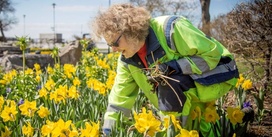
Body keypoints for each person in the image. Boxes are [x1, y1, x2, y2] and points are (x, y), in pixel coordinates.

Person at [91, 3, 239, 136]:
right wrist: (107, 132)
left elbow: (211, 56)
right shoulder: (126, 59)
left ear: (131, 31)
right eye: (109, 44)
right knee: (204, 125)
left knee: (168, 83)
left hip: (220, 72)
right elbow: (120, 98)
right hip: (189, 85)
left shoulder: (172, 28)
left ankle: (180, 132)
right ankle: (241, 118)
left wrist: (173, 67)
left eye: (115, 43)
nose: (113, 49)